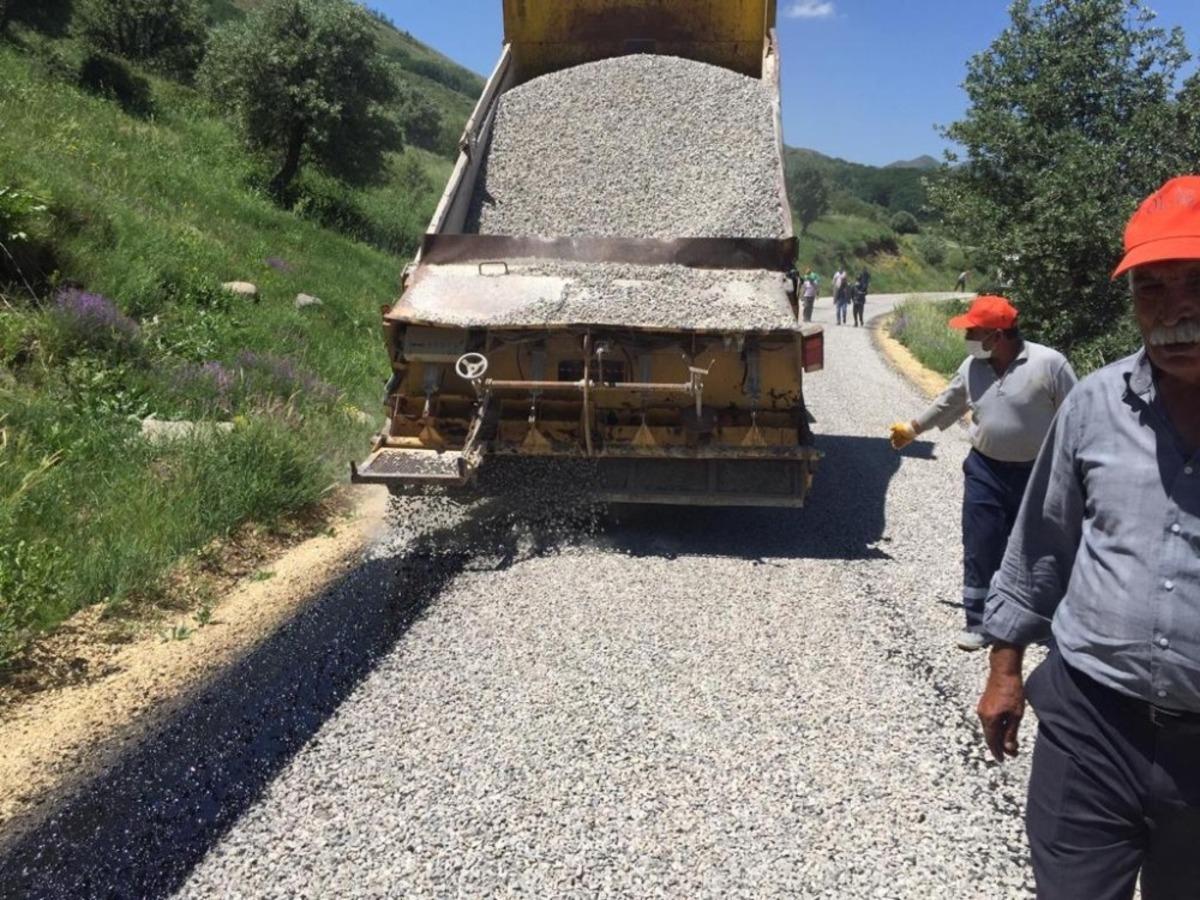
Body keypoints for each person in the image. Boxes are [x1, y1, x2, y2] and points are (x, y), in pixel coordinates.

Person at [977, 175, 1200, 899]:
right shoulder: (1095, 404)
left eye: (1196, 283)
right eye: (1152, 291)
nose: (1177, 313)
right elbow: (1040, 543)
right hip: (1091, 721)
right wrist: (1005, 670)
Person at [888, 295, 1077, 651]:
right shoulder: (973, 366)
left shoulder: (1049, 364)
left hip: (1038, 474)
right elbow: (949, 401)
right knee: (980, 543)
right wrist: (912, 430)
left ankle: (1040, 621)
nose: (968, 337)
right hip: (985, 469)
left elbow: (1078, 413)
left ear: (998, 334)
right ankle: (978, 623)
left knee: (1035, 549)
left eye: (974, 331)